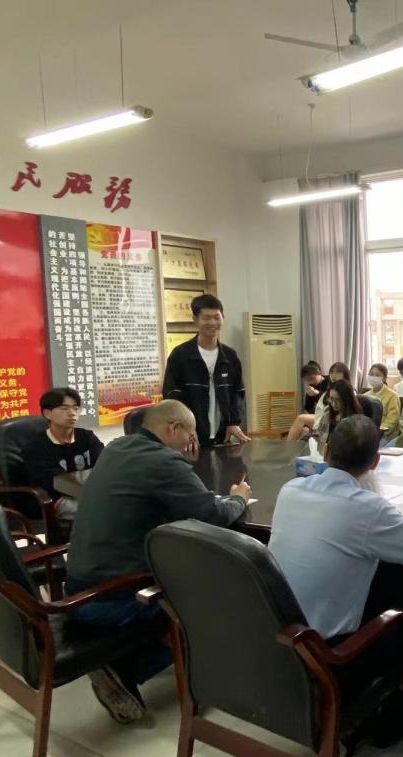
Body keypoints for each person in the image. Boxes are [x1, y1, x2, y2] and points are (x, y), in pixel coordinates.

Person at [65, 400, 251, 723]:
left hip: (77, 588)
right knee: (217, 598)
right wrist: (239, 498)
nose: (193, 441)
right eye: (190, 434)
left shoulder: (116, 448)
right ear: (173, 428)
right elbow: (211, 514)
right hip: (112, 598)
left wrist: (182, 464)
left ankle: (126, 661)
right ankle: (128, 669)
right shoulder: (162, 461)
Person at [269, 414, 403, 640]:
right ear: (375, 462)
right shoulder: (371, 509)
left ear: (326, 452)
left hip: (276, 634)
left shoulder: (290, 490)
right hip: (326, 650)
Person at [162, 294, 250, 447]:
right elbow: (172, 396)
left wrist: (233, 422)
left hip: (223, 436)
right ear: (195, 320)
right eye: (206, 318)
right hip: (191, 438)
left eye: (217, 317)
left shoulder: (230, 356)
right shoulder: (180, 355)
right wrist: (185, 428)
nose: (213, 322)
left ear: (223, 318)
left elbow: (237, 393)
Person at [21, 387, 104, 523]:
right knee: (102, 510)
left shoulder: (87, 437)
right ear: (47, 414)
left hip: (89, 492)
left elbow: (105, 464)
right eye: (64, 408)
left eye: (76, 408)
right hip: (56, 498)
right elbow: (51, 482)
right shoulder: (35, 447)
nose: (72, 413)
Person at [287, 362, 351, 441]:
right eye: (307, 380)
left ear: (318, 373)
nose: (310, 381)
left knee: (301, 419)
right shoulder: (312, 388)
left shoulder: (331, 385)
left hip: (325, 418)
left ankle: (289, 446)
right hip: (319, 416)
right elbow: (308, 408)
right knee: (304, 430)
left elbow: (333, 406)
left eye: (311, 378)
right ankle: (291, 447)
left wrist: (316, 393)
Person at [363, 363, 401, 442]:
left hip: (386, 435)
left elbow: (392, 421)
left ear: (384, 378)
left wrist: (377, 432)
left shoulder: (392, 396)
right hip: (367, 434)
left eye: (377, 375)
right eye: (371, 374)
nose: (374, 377)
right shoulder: (365, 396)